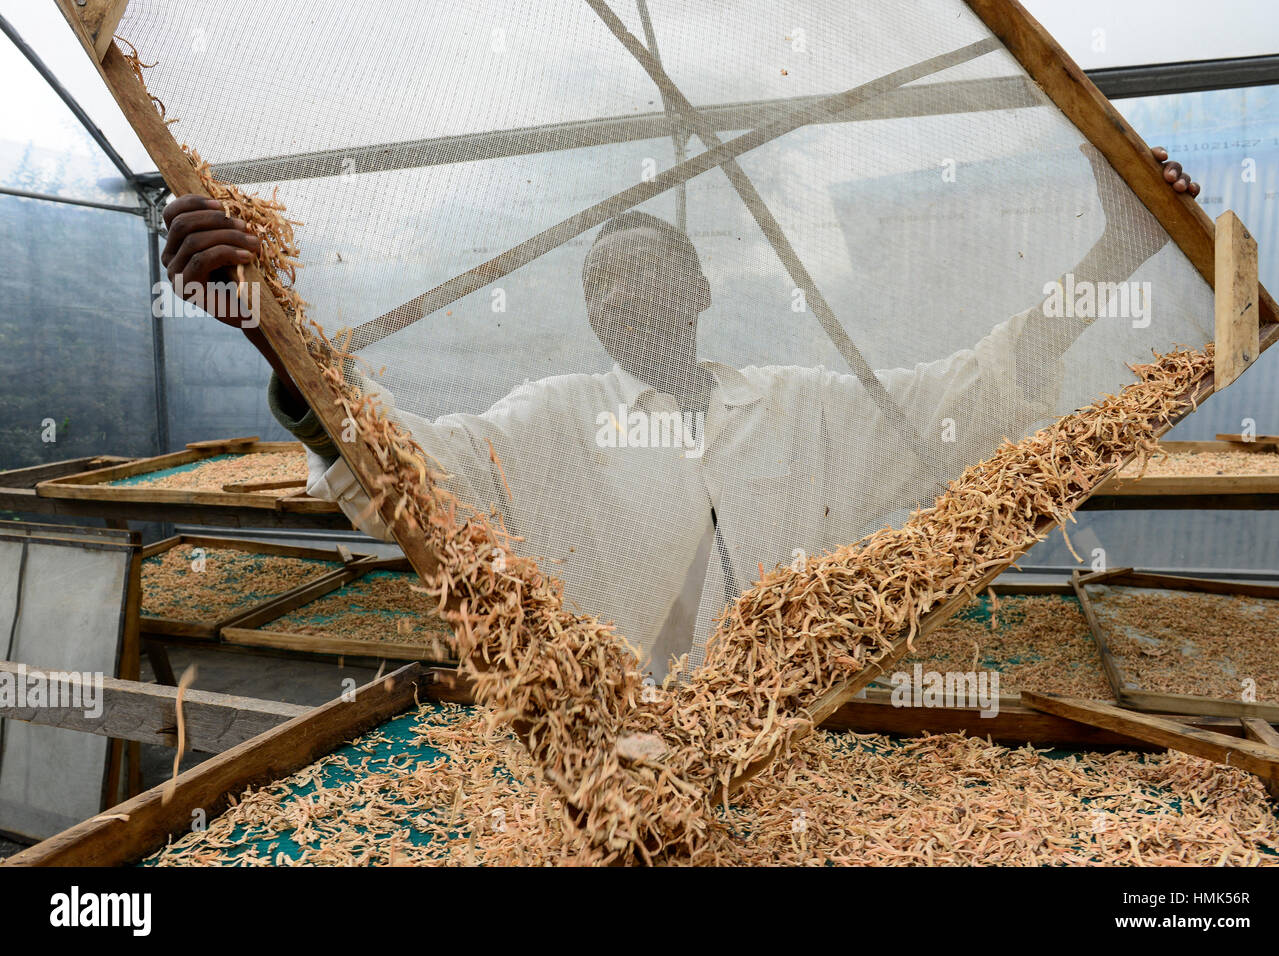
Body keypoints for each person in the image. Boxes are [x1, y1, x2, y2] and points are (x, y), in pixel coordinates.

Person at [160, 148, 1200, 678]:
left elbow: (973, 392)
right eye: (595, 286)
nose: (613, 297)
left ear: (699, 288)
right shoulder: (554, 418)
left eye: (638, 271)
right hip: (617, 754)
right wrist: (268, 328)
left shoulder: (804, 406)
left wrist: (1113, 255)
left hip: (800, 739)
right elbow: (416, 479)